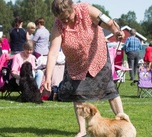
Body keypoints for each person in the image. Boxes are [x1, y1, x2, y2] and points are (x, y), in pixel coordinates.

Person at [44, 1, 125, 137]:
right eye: (61, 18)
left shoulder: (86, 9)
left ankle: (123, 122)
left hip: (97, 56)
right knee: (78, 94)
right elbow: (53, 52)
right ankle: (82, 131)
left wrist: (116, 31)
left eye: (67, 17)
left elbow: (109, 22)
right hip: (75, 64)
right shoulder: (58, 25)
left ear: (72, 9)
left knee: (110, 90)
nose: (64, 21)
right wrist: (48, 76)